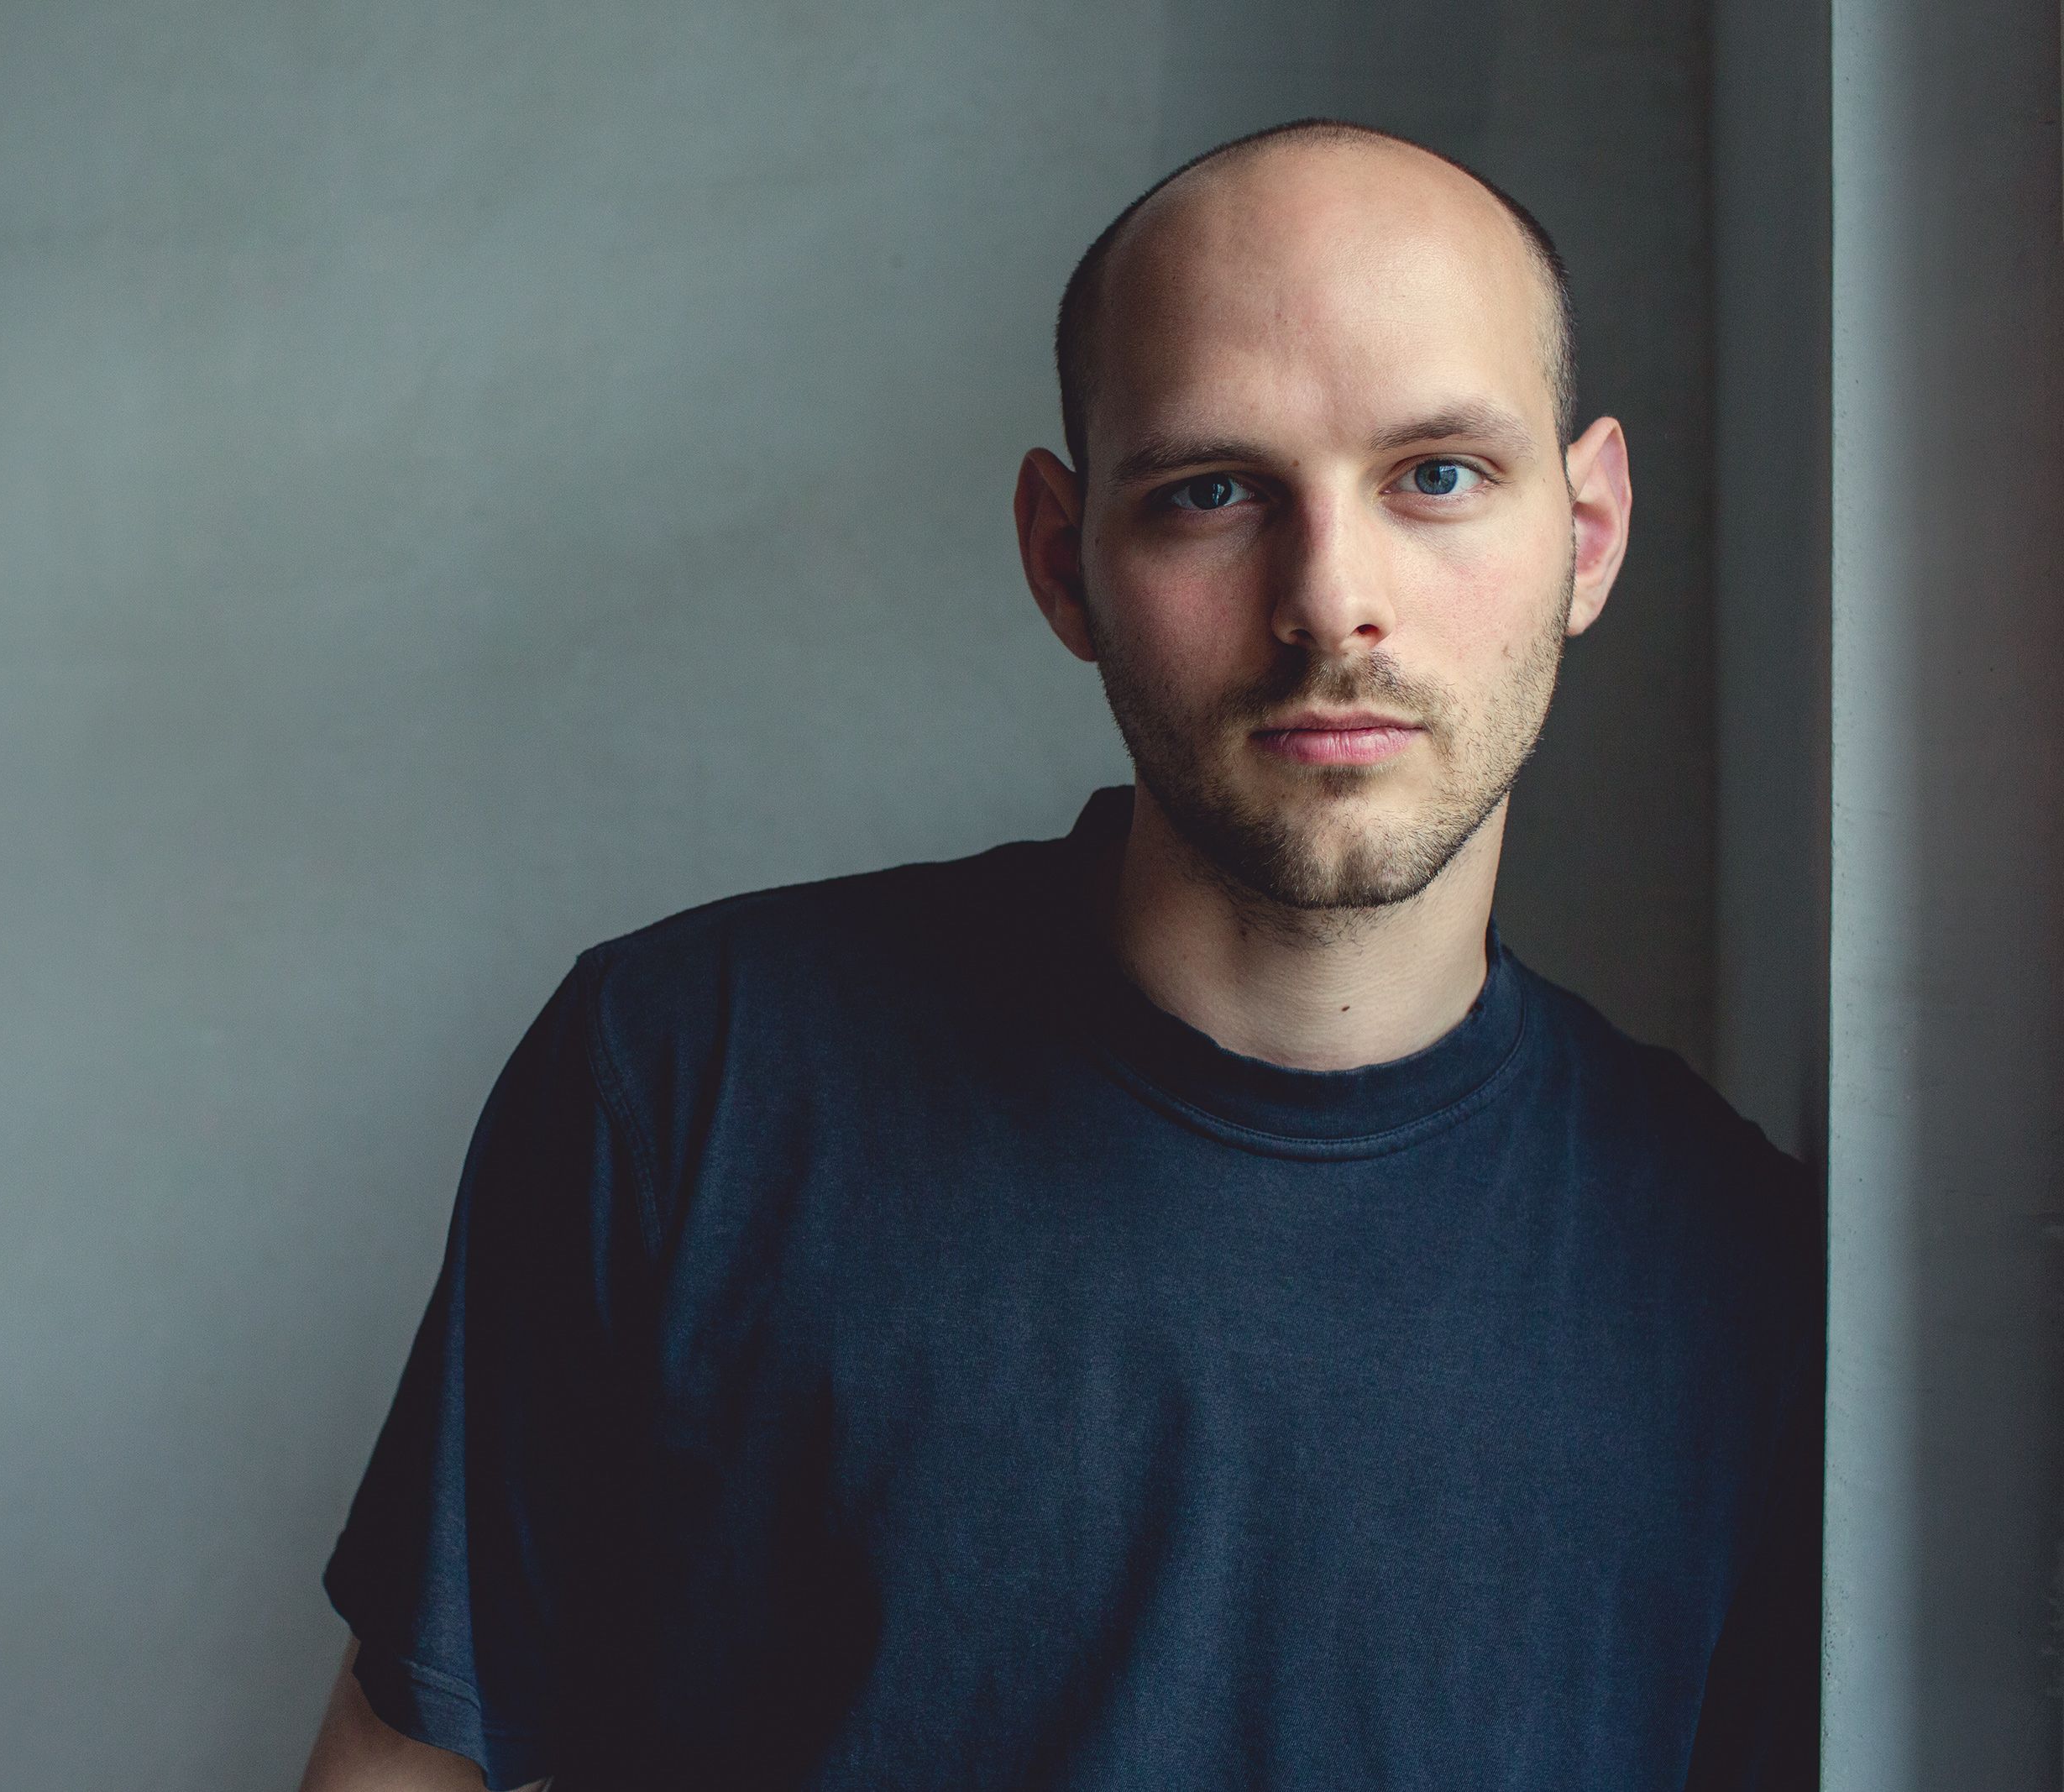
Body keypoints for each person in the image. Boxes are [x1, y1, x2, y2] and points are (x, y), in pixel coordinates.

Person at [296, 118, 1820, 1792]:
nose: (1331, 599)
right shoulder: (688, 1081)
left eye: (1436, 475)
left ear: (1587, 531)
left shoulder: (1741, 1271)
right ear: (1061, 556)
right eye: (1213, 492)